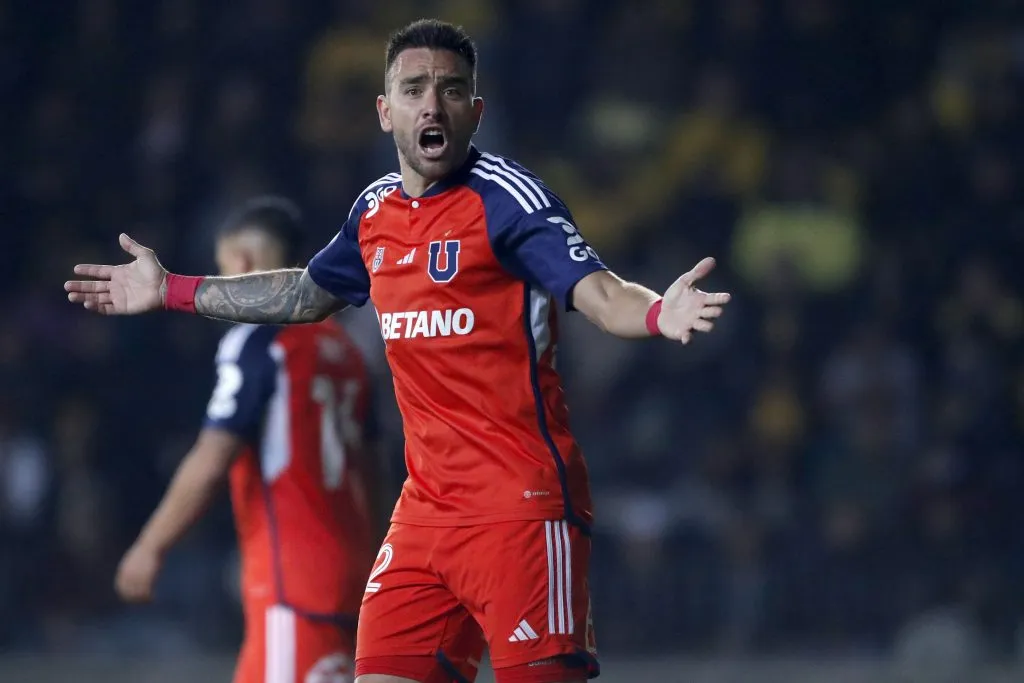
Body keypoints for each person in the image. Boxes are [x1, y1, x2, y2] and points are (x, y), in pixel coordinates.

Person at [66, 18, 731, 683]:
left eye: (450, 89)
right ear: (386, 112)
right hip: (424, 516)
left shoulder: (510, 202)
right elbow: (303, 294)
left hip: (520, 508)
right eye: (414, 88)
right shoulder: (374, 211)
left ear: (476, 109)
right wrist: (172, 289)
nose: (432, 103)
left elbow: (599, 292)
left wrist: (654, 310)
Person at [112, 197, 383, 683]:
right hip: (354, 577)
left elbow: (214, 455)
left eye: (221, 269)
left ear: (240, 265)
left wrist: (150, 546)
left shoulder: (258, 340)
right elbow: (373, 469)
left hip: (292, 581)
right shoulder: (348, 352)